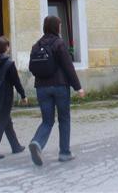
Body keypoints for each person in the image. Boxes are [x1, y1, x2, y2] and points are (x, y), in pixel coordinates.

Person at [29, 15, 85, 166]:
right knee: (64, 119)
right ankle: (64, 153)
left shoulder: (36, 45)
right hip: (60, 86)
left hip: (41, 87)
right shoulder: (59, 43)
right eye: (59, 25)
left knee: (47, 120)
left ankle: (37, 142)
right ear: (56, 27)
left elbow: (31, 68)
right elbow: (68, 67)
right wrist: (78, 87)